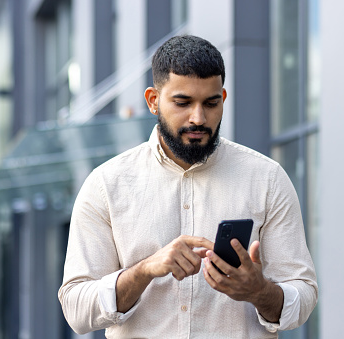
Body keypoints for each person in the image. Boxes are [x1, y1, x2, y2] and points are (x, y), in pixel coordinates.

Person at [58, 35, 317, 338]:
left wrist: (259, 291)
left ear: (223, 97)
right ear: (153, 101)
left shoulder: (266, 179)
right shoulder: (106, 184)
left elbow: (305, 294)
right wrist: (144, 270)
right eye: (182, 103)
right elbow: (76, 309)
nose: (199, 118)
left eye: (211, 103)